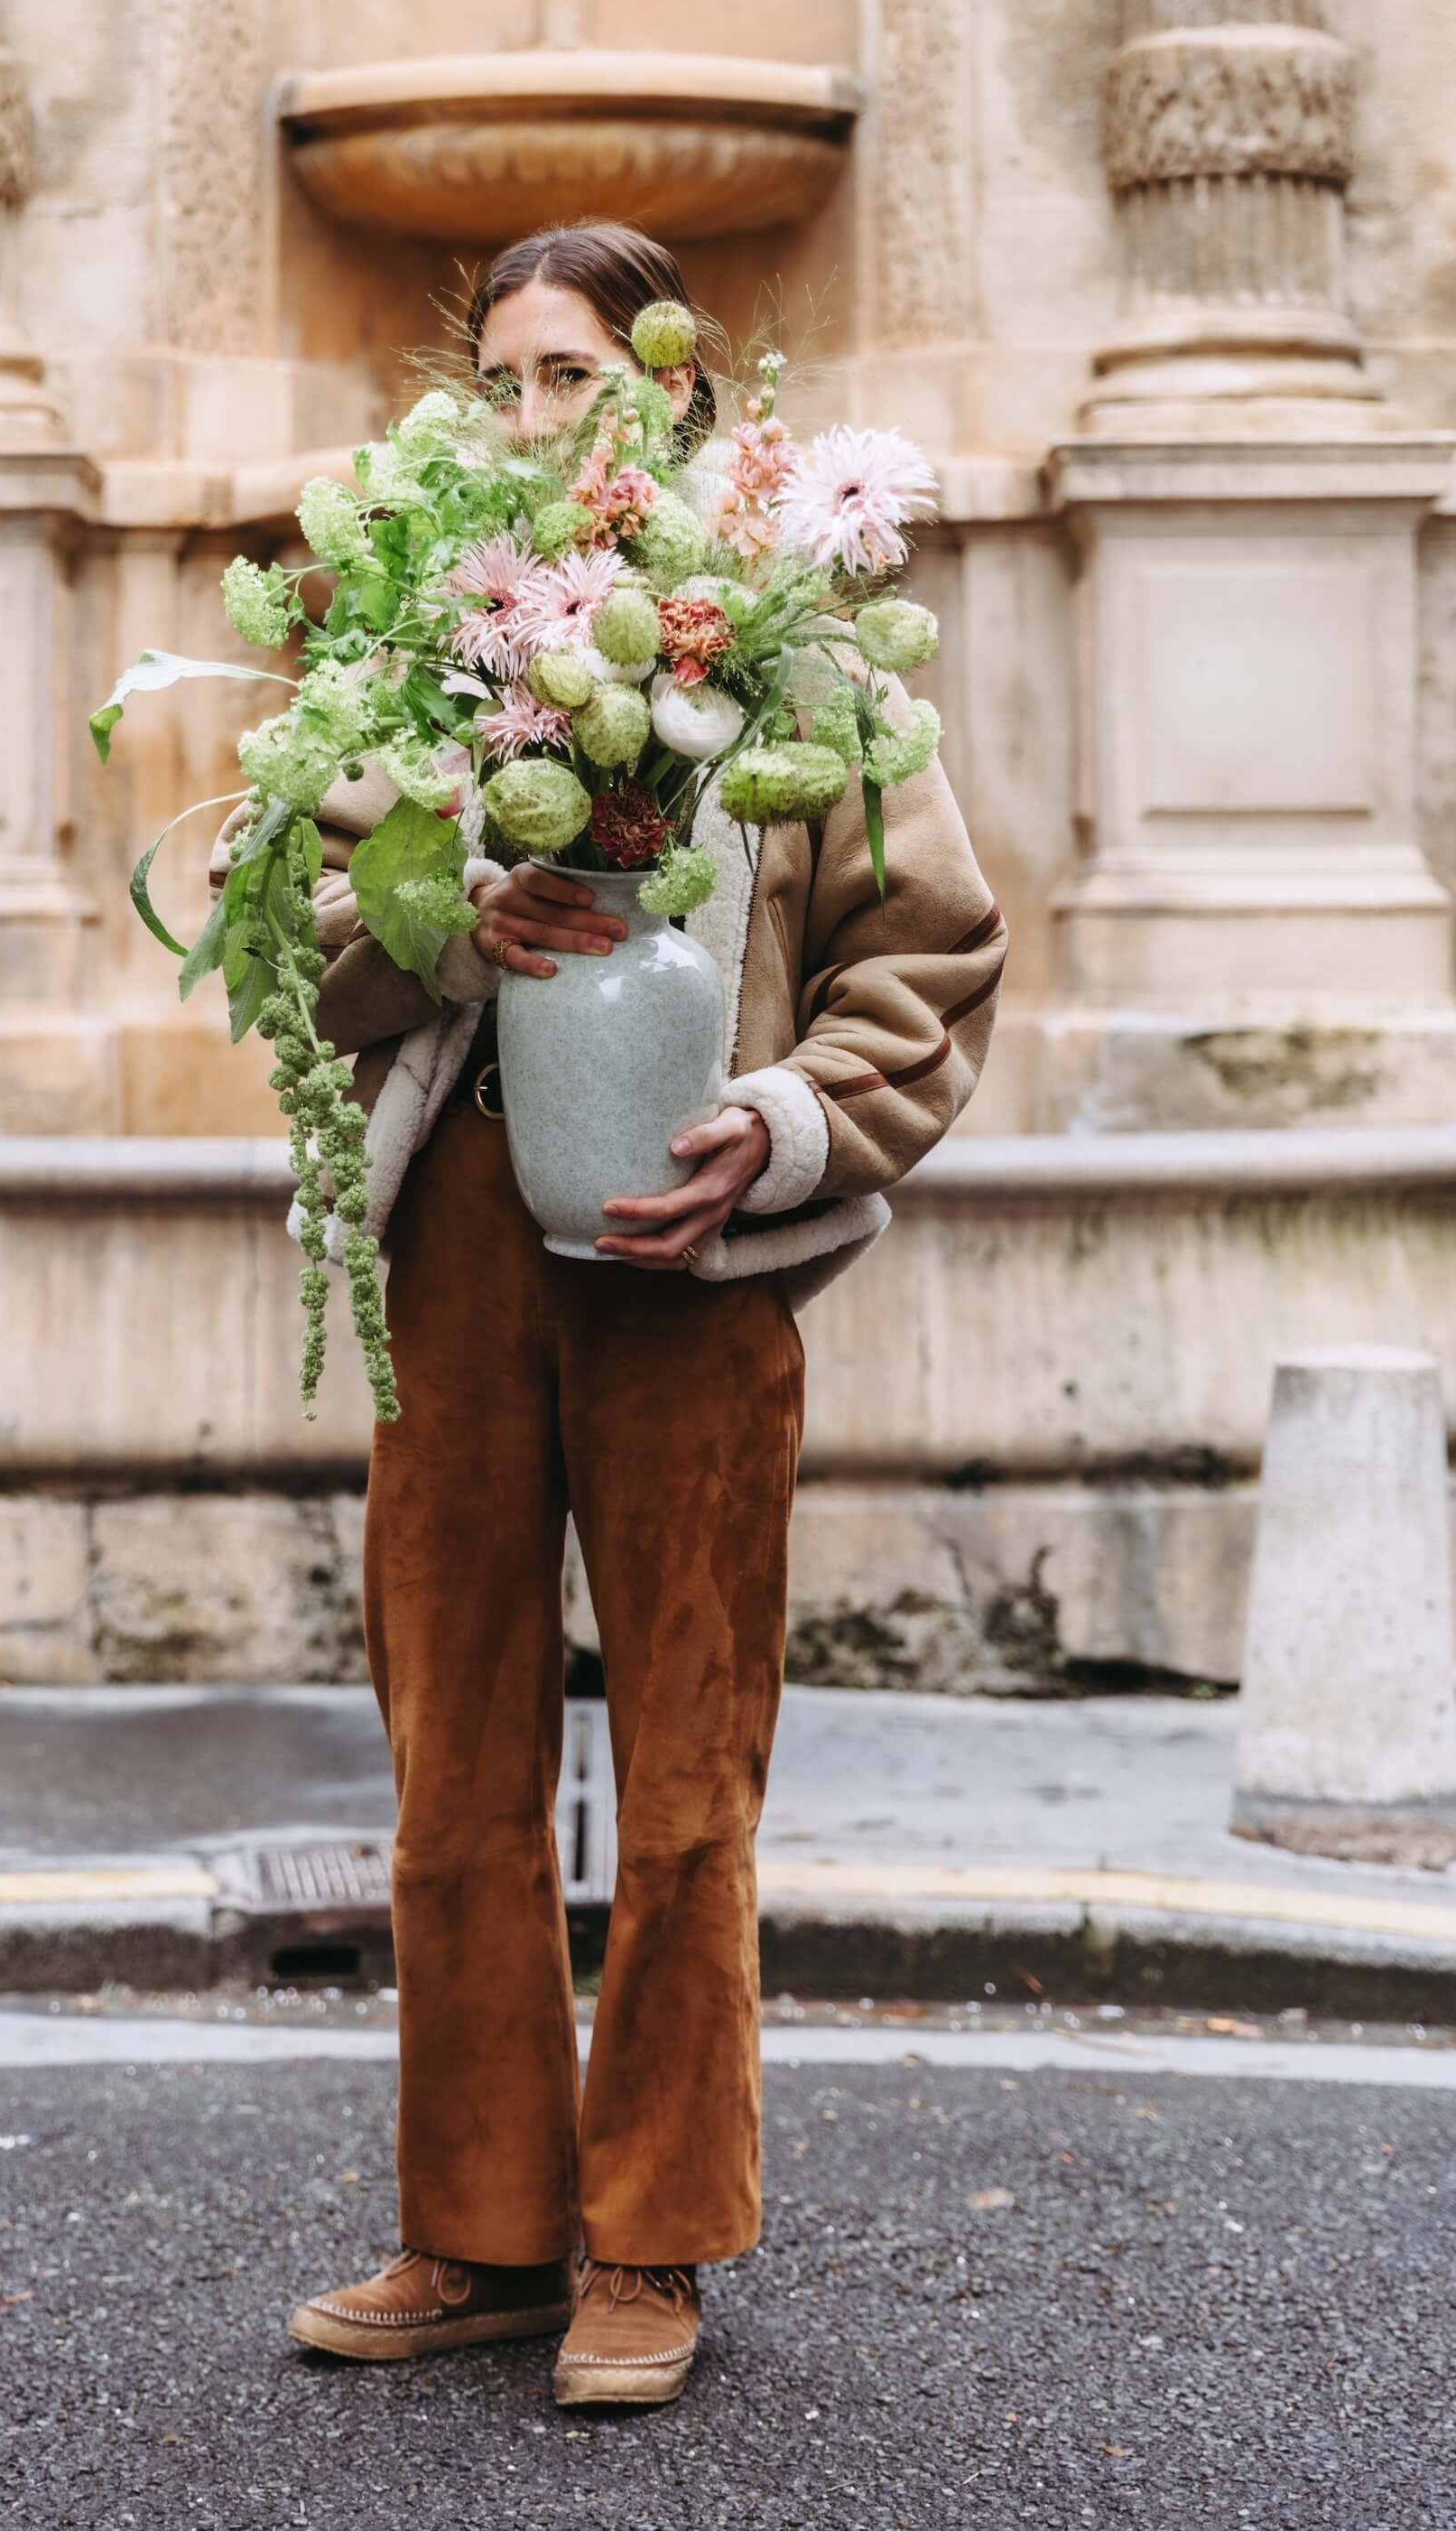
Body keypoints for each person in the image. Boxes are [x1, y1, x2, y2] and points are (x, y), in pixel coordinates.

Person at [216, 223, 1006, 2408]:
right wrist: (440, 917)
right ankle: (476, 2228)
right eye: (507, 379)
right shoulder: (416, 643)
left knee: (685, 1764)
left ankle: (650, 2241)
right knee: (451, 1760)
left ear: (672, 401)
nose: (537, 414)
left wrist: (786, 1120)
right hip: (461, 1248)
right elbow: (298, 936)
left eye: (575, 373)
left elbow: (929, 957)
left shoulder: (801, 648)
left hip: (686, 1250)